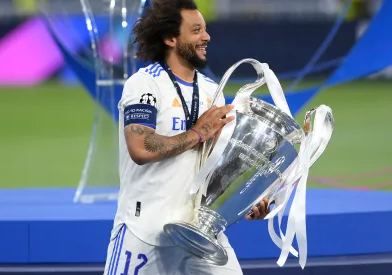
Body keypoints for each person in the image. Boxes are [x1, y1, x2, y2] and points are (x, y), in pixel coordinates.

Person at [103, 0, 270, 274]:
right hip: (144, 232)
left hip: (198, 231)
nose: (206, 37)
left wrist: (247, 199)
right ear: (171, 38)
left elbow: (216, 163)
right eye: (196, 30)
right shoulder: (145, 84)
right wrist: (198, 132)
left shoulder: (211, 90)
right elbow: (140, 147)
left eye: (205, 29)